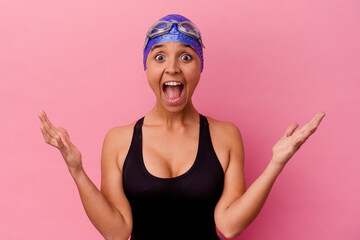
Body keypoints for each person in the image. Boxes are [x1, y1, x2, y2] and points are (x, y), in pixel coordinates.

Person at [38, 14, 325, 240]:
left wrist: (275, 165)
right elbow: (116, 232)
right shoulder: (119, 140)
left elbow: (229, 226)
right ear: (147, 67)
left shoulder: (225, 135)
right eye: (159, 57)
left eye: (186, 57)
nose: (173, 68)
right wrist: (76, 170)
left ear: (200, 67)